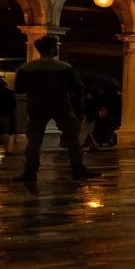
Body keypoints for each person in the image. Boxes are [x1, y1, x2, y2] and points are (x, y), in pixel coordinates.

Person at [17, 36, 92, 186]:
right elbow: (77, 86)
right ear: (52, 49)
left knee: (34, 140)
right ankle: (78, 168)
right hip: (61, 105)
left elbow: (19, 88)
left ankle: (30, 171)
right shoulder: (64, 68)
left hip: (36, 106)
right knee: (72, 137)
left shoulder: (26, 68)